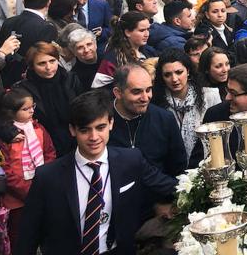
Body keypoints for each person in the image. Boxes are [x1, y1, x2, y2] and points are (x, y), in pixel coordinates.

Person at [15, 90, 177, 255]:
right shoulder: (48, 176)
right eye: (85, 130)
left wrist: (200, 188)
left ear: (111, 123)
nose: (94, 137)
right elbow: (27, 236)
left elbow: (169, 186)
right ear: (72, 130)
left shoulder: (131, 161)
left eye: (100, 127)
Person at [0, 86, 56, 245]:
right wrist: (26, 190)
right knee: (19, 233)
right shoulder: (6, 137)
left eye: (32, 107)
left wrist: (47, 176)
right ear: (11, 112)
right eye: (25, 109)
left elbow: (49, 152)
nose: (31, 111)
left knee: (44, 228)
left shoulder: (38, 128)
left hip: (41, 186)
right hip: (16, 198)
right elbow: (5, 169)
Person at [108, 64, 187, 178]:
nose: (145, 98)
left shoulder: (164, 119)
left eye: (148, 90)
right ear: (118, 93)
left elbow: (178, 168)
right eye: (137, 92)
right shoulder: (101, 121)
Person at [152, 50, 221, 160]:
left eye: (179, 72)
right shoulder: (157, 103)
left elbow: (219, 135)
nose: (174, 79)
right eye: (167, 75)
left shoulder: (210, 96)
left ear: (188, 71)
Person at [17, 42, 80, 156]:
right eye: (42, 63)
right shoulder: (23, 89)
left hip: (76, 141)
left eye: (52, 61)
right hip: (43, 146)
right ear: (32, 66)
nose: (48, 67)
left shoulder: (71, 79)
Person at [0, 0, 57, 86]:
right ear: (48, 3)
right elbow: (43, 57)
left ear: (24, 2)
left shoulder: (8, 22)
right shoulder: (47, 28)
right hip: (32, 82)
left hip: (5, 77)